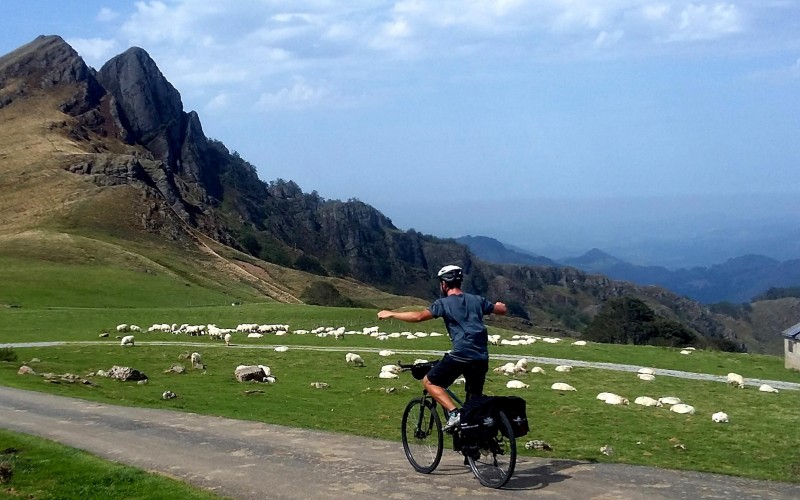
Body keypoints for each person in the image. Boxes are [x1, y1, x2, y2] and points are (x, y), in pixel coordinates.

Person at [377, 264, 507, 431]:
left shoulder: (443, 303)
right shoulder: (477, 300)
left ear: (444, 284)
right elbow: (501, 310)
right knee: (473, 402)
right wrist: (499, 305)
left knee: (430, 381)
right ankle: (474, 446)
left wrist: (391, 314)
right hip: (481, 357)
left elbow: (418, 317)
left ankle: (454, 414)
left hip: (461, 354)